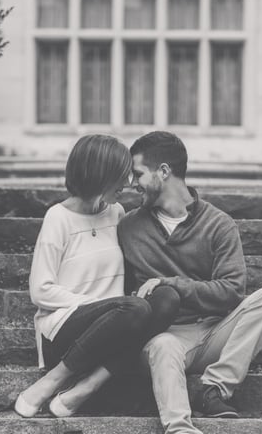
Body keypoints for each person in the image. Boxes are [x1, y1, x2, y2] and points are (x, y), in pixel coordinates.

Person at [118, 131, 262, 434]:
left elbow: (230, 292)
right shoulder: (128, 227)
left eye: (138, 174)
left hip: (213, 333)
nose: (132, 184)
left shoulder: (218, 224)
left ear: (163, 171)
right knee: (164, 345)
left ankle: (215, 387)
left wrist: (169, 284)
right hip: (165, 336)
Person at [15, 133, 180, 418]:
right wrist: (98, 306)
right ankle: (54, 378)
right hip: (64, 329)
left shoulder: (116, 213)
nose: (128, 184)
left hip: (116, 325)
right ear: (99, 174)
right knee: (132, 308)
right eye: (121, 175)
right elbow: (40, 290)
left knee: (167, 298)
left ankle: (89, 386)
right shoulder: (58, 218)